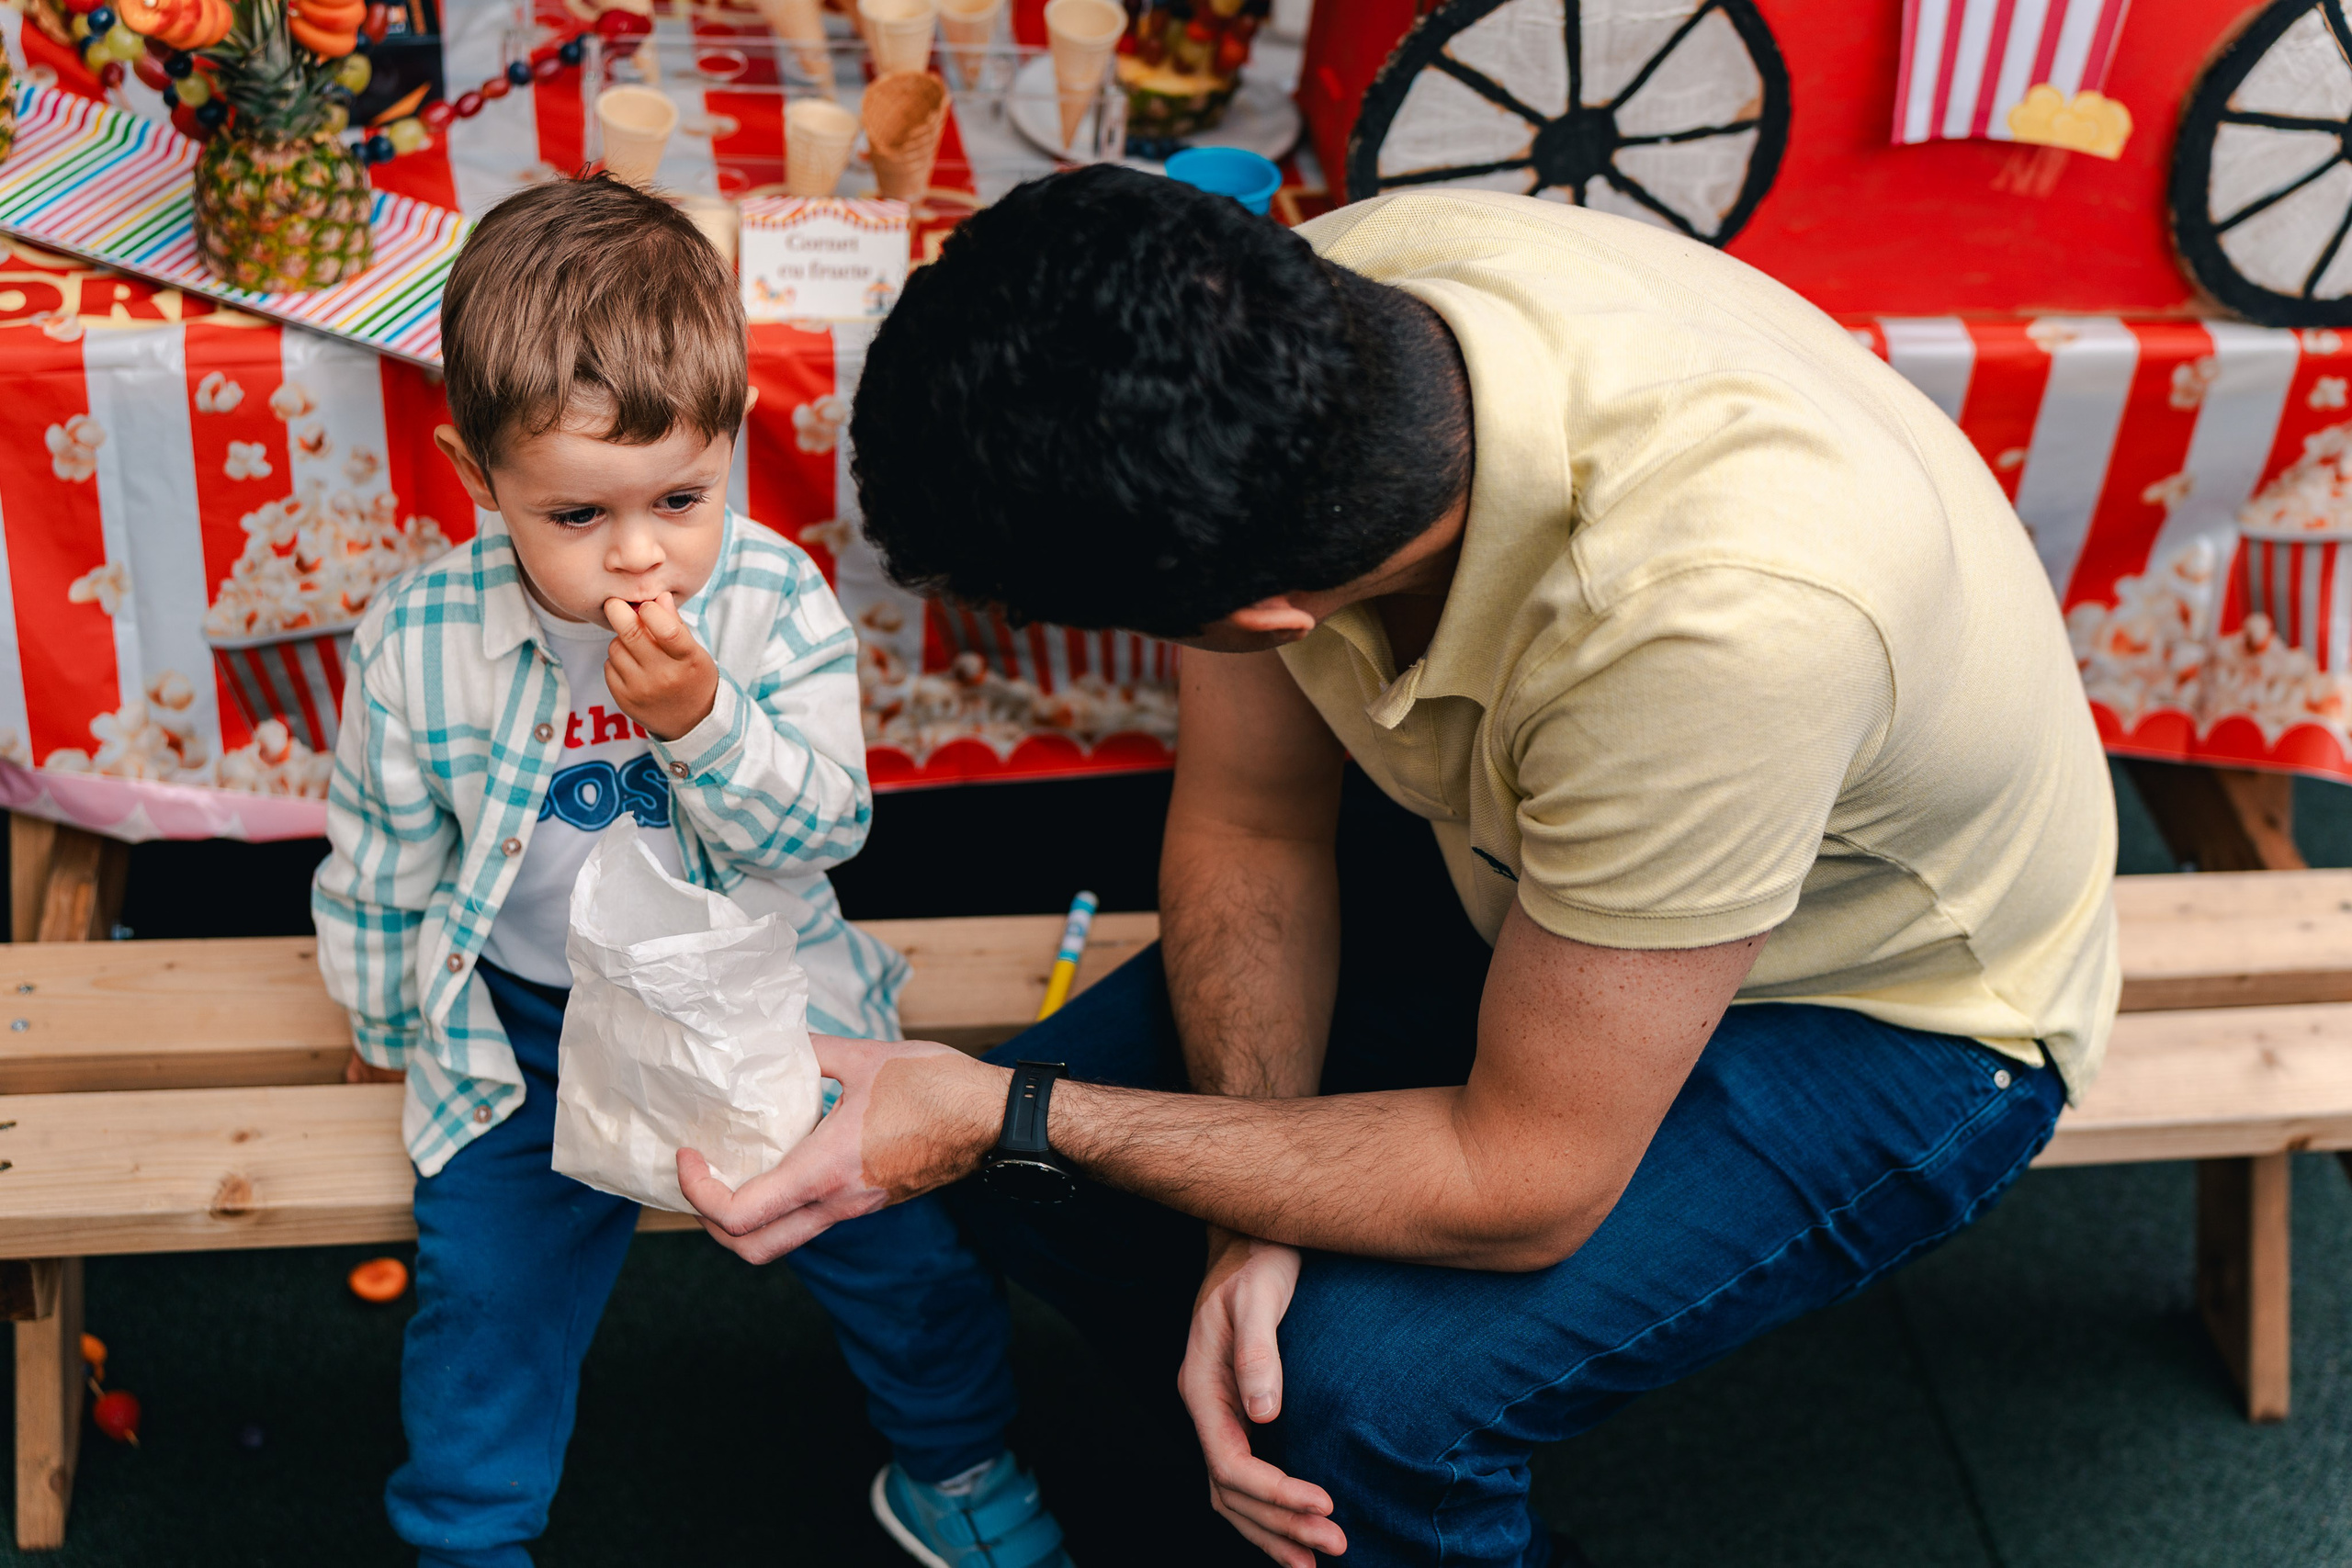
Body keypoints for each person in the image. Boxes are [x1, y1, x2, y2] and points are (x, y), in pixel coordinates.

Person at [679, 169, 2120, 1567]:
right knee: (1088, 1205)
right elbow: (1255, 819)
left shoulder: (1716, 635)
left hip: (1896, 995)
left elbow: (1527, 1177)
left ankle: (1358, 1483)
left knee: (1361, 1401)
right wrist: (1253, 1219)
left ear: (1258, 615)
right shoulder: (1313, 309)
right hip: (1541, 846)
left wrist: (1012, 1110)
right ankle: (1266, 1436)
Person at [311, 175, 1073, 1568]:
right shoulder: (419, 638)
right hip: (526, 1028)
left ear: (730, 443)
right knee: (486, 1302)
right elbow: (378, 854)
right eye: (577, 515)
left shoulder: (774, 600)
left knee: (903, 1247)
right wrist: (379, 1020)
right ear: (479, 479)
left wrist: (702, 725)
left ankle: (954, 1462)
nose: (639, 553)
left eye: (680, 496)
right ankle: (467, 1541)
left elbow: (827, 828)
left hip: (760, 1001)